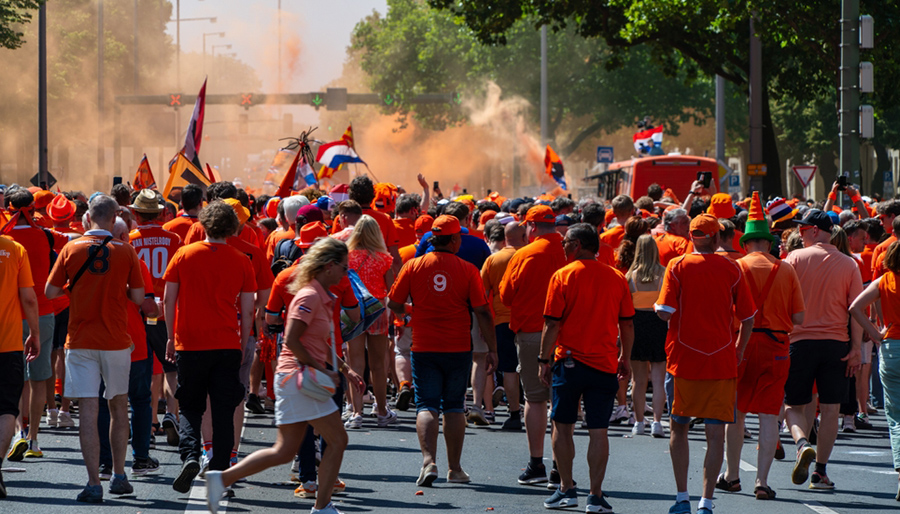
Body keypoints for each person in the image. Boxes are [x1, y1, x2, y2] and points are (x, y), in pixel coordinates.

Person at [206, 237, 364, 514]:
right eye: (343, 266)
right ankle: (322, 506)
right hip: (299, 379)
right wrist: (321, 369)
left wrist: (344, 369)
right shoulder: (310, 295)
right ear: (329, 266)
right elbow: (291, 339)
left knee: (284, 450)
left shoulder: (319, 294)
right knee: (337, 440)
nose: (345, 271)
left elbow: (320, 343)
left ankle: (221, 478)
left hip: (298, 379)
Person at [45, 194, 146, 502]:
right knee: (118, 406)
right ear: (115, 218)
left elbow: (50, 291)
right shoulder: (126, 251)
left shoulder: (70, 248)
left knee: (88, 410)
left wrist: (76, 288)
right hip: (115, 339)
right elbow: (139, 298)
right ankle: (118, 474)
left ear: (87, 217)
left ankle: (93, 483)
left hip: (80, 339)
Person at [655, 213, 755, 514]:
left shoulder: (677, 265)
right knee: (714, 435)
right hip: (721, 360)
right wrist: (738, 349)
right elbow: (748, 317)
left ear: (691, 237)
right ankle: (706, 501)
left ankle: (682, 497)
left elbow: (664, 311)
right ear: (715, 237)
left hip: (683, 360)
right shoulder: (731, 267)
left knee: (679, 429)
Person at [387, 215, 497, 486]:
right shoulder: (467, 269)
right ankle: (455, 469)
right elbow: (482, 310)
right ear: (455, 239)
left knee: (426, 404)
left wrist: (411, 312)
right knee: (453, 407)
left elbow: (393, 302)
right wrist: (493, 348)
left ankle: (428, 462)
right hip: (458, 347)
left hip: (424, 346)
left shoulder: (413, 266)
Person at [538, 223, 634, 513]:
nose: (563, 246)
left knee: (562, 426)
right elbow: (627, 324)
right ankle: (595, 494)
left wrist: (543, 360)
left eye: (566, 242)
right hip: (604, 364)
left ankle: (567, 488)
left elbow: (552, 323)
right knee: (598, 430)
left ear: (577, 245)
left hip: (568, 363)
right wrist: (625, 358)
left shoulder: (563, 276)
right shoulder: (616, 277)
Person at [162, 201, 257, 494]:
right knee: (224, 410)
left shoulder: (184, 255)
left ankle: (191, 455)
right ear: (232, 228)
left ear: (203, 224)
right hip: (226, 342)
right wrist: (240, 345)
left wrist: (170, 336)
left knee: (190, 407)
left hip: (189, 341)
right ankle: (218, 469)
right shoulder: (242, 259)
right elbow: (248, 308)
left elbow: (168, 300)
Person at [718, 192, 806, 500]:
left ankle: (730, 476)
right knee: (769, 415)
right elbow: (799, 316)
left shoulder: (735, 268)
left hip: (740, 344)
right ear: (769, 242)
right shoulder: (786, 269)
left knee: (737, 413)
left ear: (745, 244)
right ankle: (762, 481)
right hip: (777, 345)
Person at [782, 209, 863, 490]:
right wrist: (855, 350)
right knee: (831, 409)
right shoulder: (849, 264)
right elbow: (856, 311)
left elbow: (783, 303)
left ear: (815, 231)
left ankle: (802, 442)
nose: (799, 235)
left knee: (793, 405)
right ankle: (820, 472)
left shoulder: (793, 259)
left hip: (799, 342)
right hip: (835, 344)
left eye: (802, 230)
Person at [499, 205, 567, 486]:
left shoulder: (524, 254)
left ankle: (537, 463)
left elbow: (505, 296)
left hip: (532, 332)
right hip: (569, 334)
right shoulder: (570, 251)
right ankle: (560, 469)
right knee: (563, 402)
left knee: (536, 399)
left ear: (532, 227)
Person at [3, 187, 68, 461]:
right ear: (33, 208)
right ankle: (33, 440)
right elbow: (70, 241)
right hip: (42, 312)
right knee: (40, 377)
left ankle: (17, 431)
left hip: (10, 315)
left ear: (8, 207)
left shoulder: (6, 238)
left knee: (17, 378)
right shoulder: (44, 235)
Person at [128, 189, 183, 447]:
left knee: (143, 370)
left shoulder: (129, 240)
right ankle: (172, 413)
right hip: (167, 313)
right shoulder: (174, 239)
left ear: (136, 214)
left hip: (138, 312)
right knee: (172, 368)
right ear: (162, 213)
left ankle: (147, 423)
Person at [849, 241, 900, 501]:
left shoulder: (883, 280)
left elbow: (855, 308)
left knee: (895, 416)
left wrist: (876, 334)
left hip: (891, 349)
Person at [344, 215, 397, 429]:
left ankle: (357, 412)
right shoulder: (385, 259)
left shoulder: (347, 257)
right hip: (378, 312)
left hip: (354, 311)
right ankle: (382, 410)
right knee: (378, 364)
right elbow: (391, 291)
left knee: (355, 362)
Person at [0, 235, 40, 498]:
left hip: (10, 343)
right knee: (5, 410)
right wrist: (34, 333)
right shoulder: (13, 249)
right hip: (7, 342)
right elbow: (28, 297)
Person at [481, 221, 528, 431]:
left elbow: (482, 294)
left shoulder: (494, 259)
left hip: (501, 321)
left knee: (509, 369)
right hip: (531, 321)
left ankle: (515, 413)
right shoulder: (531, 256)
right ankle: (535, 408)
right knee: (533, 367)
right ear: (524, 237)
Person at [626, 234, 667, 438]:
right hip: (659, 325)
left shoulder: (630, 277)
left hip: (636, 327)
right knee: (659, 380)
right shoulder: (664, 274)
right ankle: (658, 422)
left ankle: (639, 422)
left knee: (638, 380)